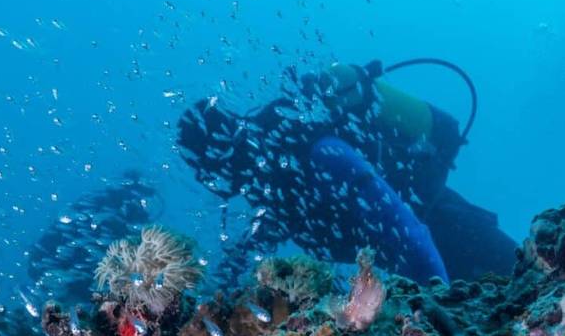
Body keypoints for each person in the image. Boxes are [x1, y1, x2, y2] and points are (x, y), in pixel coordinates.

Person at [177, 60, 518, 283]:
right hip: (420, 266)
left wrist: (433, 293)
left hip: (451, 233)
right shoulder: (272, 186)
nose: (216, 185)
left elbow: (404, 225)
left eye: (212, 171)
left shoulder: (314, 148)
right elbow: (262, 236)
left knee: (526, 281)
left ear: (225, 153)